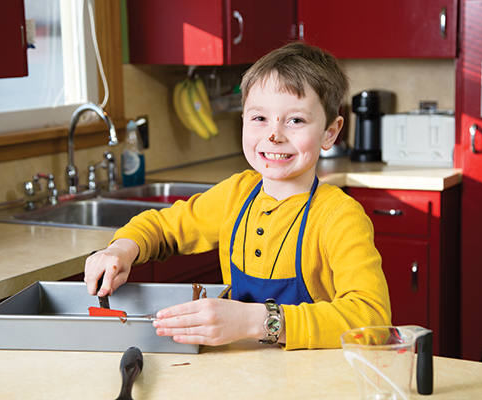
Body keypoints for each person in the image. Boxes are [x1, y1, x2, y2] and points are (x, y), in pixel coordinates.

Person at [84, 42, 391, 350]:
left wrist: (251, 321)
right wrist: (122, 249)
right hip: (241, 374)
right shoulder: (236, 195)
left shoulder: (338, 216)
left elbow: (372, 320)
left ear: (330, 132)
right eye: (260, 118)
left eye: (295, 120)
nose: (275, 134)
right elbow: (164, 226)